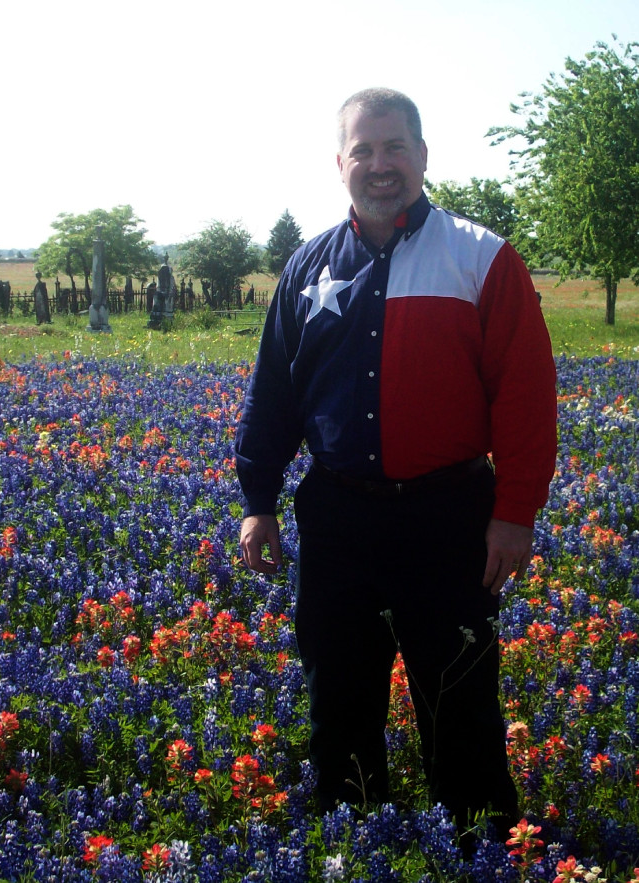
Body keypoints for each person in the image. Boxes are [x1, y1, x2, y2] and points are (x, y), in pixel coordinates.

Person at [235, 88, 557, 840]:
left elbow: (526, 395)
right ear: (340, 162)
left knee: (460, 696)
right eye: (363, 150)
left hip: (448, 514)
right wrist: (259, 497)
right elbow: (273, 391)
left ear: (422, 155)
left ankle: (478, 840)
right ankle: (353, 841)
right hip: (340, 514)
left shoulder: (481, 256)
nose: (380, 166)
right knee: (338, 697)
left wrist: (515, 511)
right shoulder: (308, 265)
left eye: (395, 148)